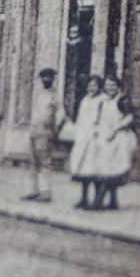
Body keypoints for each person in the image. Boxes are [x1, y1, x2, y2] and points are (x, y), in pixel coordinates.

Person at [87, 78, 135, 211]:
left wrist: (116, 128)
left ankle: (98, 201)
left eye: (113, 85)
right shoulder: (103, 101)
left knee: (112, 170)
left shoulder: (122, 100)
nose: (110, 88)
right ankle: (113, 201)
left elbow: (129, 117)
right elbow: (99, 118)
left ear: (118, 86)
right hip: (104, 138)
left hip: (119, 139)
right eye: (108, 85)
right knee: (103, 169)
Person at [23, 68, 64, 203]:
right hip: (34, 131)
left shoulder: (55, 95)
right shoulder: (40, 93)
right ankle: (33, 190)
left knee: (44, 162)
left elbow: (60, 115)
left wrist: (55, 130)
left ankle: (46, 192)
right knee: (33, 162)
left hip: (45, 133)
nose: (46, 80)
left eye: (49, 77)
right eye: (43, 77)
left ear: (53, 79)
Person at [64, 74, 105, 209]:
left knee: (95, 170)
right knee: (82, 170)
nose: (92, 88)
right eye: (90, 85)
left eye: (95, 86)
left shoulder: (102, 100)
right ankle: (84, 198)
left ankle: (97, 200)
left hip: (95, 138)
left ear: (100, 87)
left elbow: (103, 119)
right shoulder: (85, 100)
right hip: (83, 137)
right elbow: (81, 118)